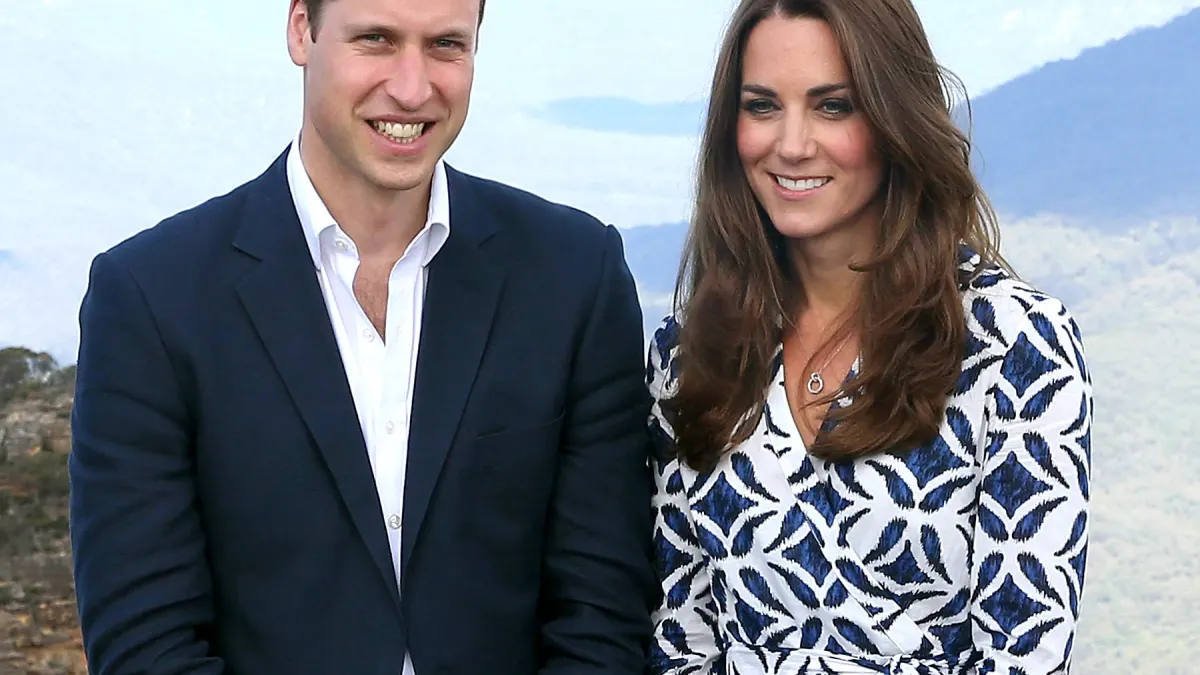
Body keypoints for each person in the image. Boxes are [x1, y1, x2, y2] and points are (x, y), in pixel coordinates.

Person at [68, 0, 658, 673]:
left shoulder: (573, 274)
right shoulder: (151, 296)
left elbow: (602, 612)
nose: (412, 87)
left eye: (445, 45)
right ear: (301, 30)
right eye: (376, 39)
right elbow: (145, 645)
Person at [645, 0, 1092, 673]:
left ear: (894, 119)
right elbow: (680, 640)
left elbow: (1025, 651)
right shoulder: (688, 353)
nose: (792, 144)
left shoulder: (1016, 346)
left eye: (833, 106)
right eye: (762, 106)